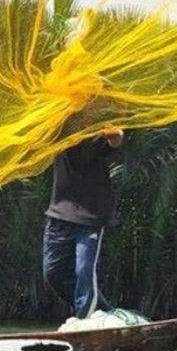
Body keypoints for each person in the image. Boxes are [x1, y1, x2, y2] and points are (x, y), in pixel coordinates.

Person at [43, 127, 123, 320]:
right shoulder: (58, 127)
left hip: (90, 216)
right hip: (59, 213)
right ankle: (107, 314)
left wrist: (113, 134)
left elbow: (117, 139)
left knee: (84, 273)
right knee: (53, 273)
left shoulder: (96, 127)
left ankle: (82, 321)